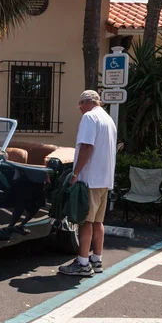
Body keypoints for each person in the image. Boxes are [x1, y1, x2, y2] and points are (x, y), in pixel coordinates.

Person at [58, 90, 117, 277]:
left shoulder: (90, 118)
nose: (80, 110)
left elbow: (87, 146)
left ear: (85, 103)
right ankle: (96, 259)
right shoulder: (108, 120)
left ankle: (83, 263)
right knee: (98, 221)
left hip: (89, 179)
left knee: (85, 221)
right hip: (104, 179)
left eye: (80, 106)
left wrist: (75, 173)